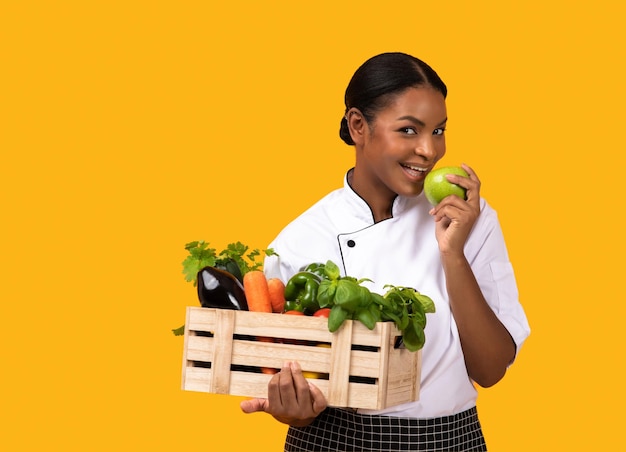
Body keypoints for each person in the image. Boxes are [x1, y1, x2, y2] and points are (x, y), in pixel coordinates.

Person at [240, 52, 530, 451]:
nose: (429, 150)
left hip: (447, 440)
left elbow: (491, 368)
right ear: (359, 126)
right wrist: (292, 409)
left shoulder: (467, 219)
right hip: (331, 440)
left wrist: (453, 253)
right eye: (409, 130)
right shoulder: (300, 239)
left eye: (439, 130)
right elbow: (294, 389)